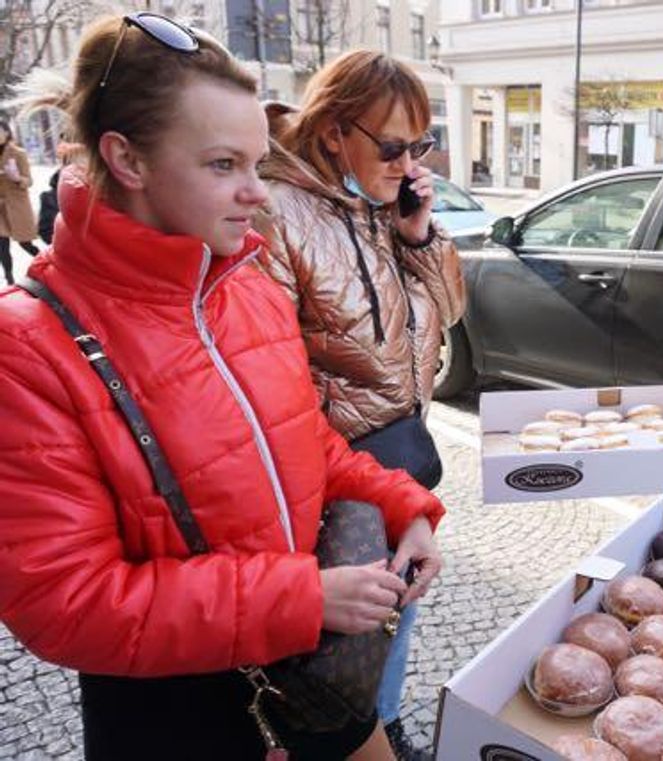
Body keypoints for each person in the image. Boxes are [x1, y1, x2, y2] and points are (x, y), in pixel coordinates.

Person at [0, 13, 446, 760]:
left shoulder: (245, 289)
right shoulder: (28, 347)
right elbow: (64, 604)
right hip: (182, 713)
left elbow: (306, 443)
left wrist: (408, 505)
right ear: (126, 159)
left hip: (316, 676)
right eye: (222, 166)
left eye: (257, 162)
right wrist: (301, 597)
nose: (258, 194)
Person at [254, 50, 464, 760]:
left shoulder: (381, 207)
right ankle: (359, 731)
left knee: (399, 610)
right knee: (352, 635)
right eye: (394, 145)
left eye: (422, 145)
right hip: (336, 476)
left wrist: (419, 235)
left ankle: (385, 719)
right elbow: (268, 368)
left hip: (401, 457)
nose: (409, 164)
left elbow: (452, 311)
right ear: (335, 129)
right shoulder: (277, 211)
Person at [0, 119, 42, 284]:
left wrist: (17, 178)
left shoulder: (18, 153)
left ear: (7, 133)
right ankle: (9, 279)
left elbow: (29, 181)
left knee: (25, 244)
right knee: (1, 244)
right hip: (0, 207)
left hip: (17, 205)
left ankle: (48, 264)